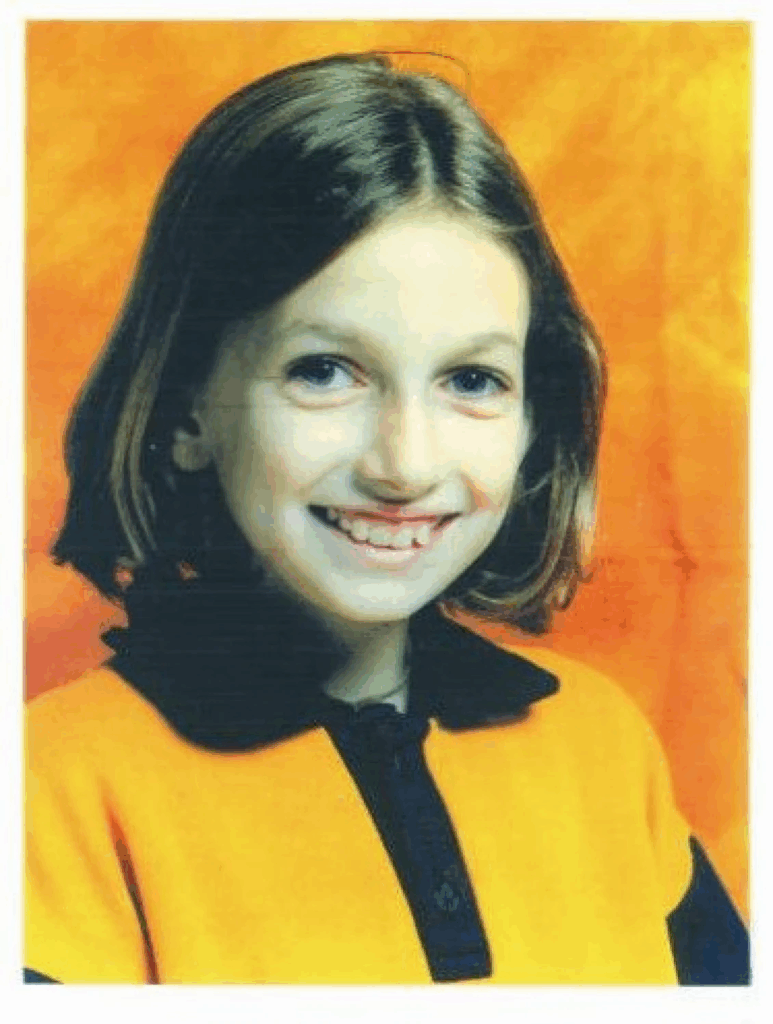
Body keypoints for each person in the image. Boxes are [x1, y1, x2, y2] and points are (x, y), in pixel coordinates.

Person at [24, 52, 748, 985]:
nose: (403, 465)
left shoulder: (602, 748)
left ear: (533, 418)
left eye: (472, 379)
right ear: (188, 408)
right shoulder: (52, 788)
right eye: (324, 371)